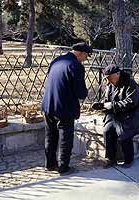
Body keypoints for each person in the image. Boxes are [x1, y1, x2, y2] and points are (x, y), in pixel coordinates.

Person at [42, 42, 92, 175]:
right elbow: (80, 92)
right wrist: (85, 94)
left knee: (50, 136)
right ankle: (64, 167)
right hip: (64, 107)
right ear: (81, 53)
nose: (86, 59)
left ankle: (50, 164)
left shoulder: (56, 60)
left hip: (48, 104)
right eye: (86, 56)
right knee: (65, 138)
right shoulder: (76, 66)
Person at [92, 64, 139, 168]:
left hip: (129, 115)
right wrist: (101, 105)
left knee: (123, 132)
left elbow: (131, 102)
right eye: (108, 78)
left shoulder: (130, 84)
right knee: (107, 130)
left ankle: (129, 159)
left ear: (118, 74)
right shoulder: (110, 85)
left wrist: (113, 105)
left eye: (111, 78)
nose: (109, 80)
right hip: (114, 114)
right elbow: (107, 99)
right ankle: (110, 158)